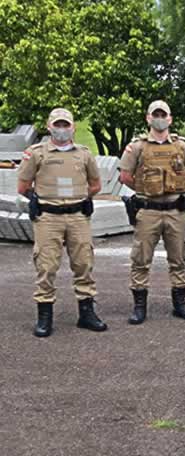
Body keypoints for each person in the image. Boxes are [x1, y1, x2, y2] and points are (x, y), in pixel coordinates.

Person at [17, 108, 107, 336]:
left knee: (84, 264)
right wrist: (42, 200)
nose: (62, 129)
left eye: (66, 125)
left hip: (78, 217)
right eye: (57, 125)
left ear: (73, 127)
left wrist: (79, 198)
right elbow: (23, 187)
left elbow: (96, 185)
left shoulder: (84, 154)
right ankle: (45, 316)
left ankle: (86, 313)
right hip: (48, 218)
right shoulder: (36, 154)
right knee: (46, 266)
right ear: (49, 127)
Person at [120, 100, 185, 324]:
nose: (160, 118)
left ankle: (180, 303)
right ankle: (139, 306)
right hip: (148, 211)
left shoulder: (182, 146)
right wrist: (146, 189)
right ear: (148, 118)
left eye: (163, 114)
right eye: (155, 114)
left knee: (179, 258)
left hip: (175, 210)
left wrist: (171, 187)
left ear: (170, 119)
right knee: (141, 259)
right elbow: (125, 176)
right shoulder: (137, 147)